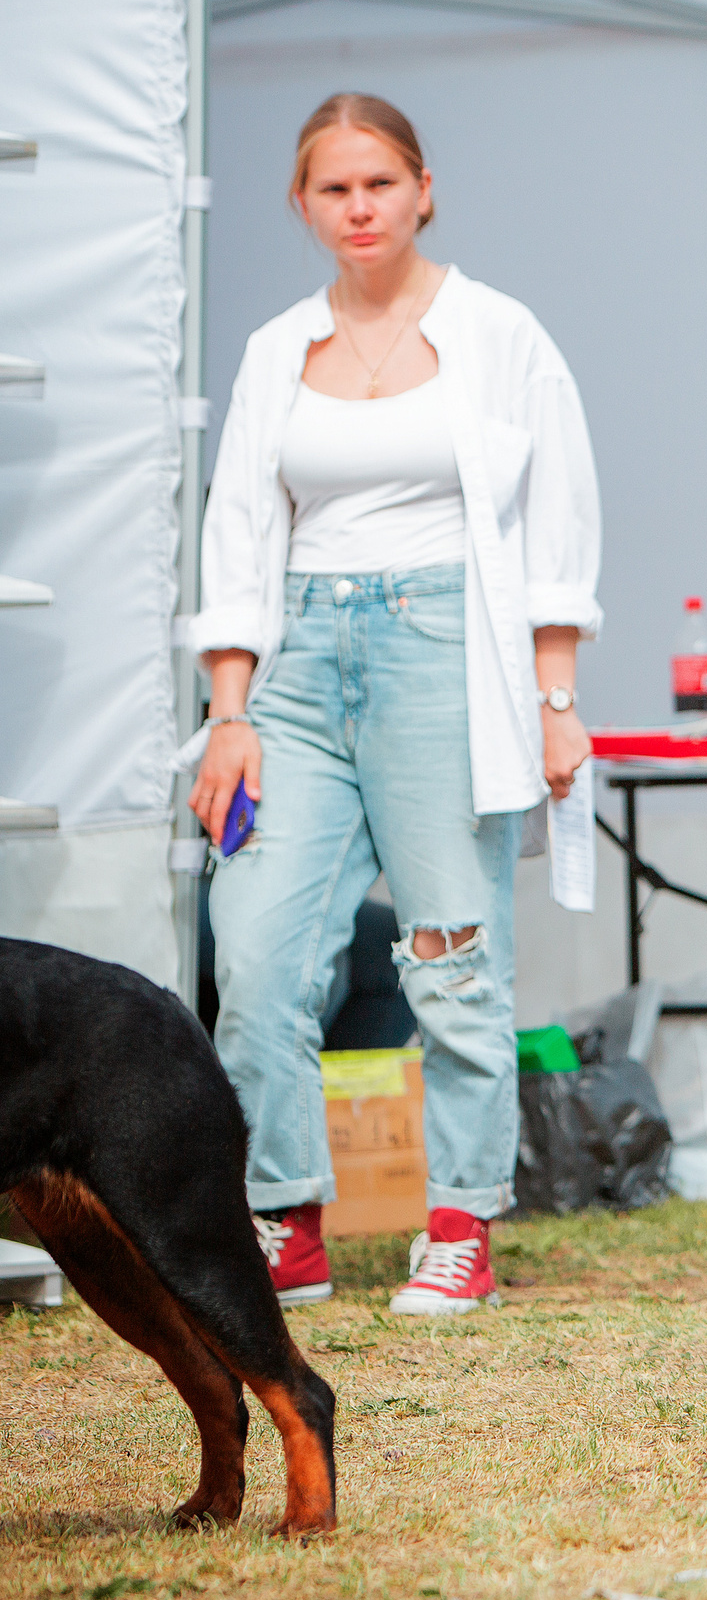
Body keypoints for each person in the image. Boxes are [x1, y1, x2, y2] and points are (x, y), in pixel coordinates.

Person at [187, 93, 602, 1316]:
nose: (359, 208)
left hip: (446, 653)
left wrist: (557, 697)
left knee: (451, 956)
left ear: (424, 190)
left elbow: (559, 522)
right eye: (335, 188)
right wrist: (229, 713)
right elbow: (237, 534)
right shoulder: (278, 349)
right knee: (255, 951)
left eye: (380, 183)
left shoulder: (500, 335)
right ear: (302, 205)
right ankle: (286, 1218)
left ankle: (461, 1220)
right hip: (299, 667)